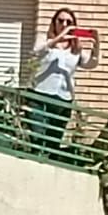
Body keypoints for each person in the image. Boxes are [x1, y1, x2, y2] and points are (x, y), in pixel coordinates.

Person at [29, 8, 101, 153]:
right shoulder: (45, 40)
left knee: (53, 142)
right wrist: (59, 37)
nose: (64, 24)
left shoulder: (76, 48)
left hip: (62, 99)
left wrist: (96, 45)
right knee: (37, 138)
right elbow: (37, 51)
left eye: (69, 22)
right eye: (60, 21)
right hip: (40, 95)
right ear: (54, 23)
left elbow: (91, 64)